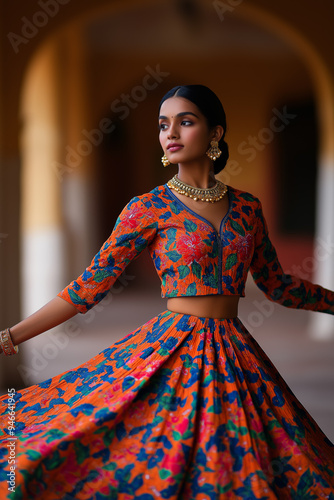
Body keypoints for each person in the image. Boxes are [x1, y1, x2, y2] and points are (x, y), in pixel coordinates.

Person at [0, 84, 333, 499]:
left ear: (215, 134)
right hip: (172, 348)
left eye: (185, 122)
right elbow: (88, 288)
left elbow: (278, 286)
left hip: (236, 354)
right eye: (162, 125)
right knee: (137, 453)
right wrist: (9, 337)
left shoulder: (248, 207)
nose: (170, 133)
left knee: (277, 463)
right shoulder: (147, 208)